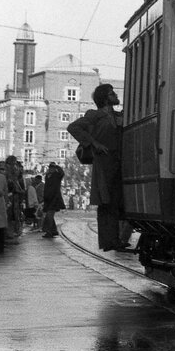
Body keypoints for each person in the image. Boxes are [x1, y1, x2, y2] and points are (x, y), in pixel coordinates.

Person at [68, 84, 126, 251]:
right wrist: (94, 143)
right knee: (106, 200)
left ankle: (114, 239)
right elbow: (73, 127)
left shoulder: (117, 116)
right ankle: (108, 240)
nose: (115, 95)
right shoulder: (95, 115)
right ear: (105, 98)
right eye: (112, 93)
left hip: (116, 161)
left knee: (114, 201)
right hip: (104, 162)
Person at [41, 162, 65, 238]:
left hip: (54, 198)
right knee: (49, 215)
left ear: (55, 169)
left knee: (49, 215)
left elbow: (62, 173)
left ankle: (49, 232)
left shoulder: (57, 175)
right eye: (50, 167)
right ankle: (53, 231)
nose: (51, 169)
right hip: (48, 199)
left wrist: (57, 166)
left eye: (52, 168)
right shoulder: (47, 176)